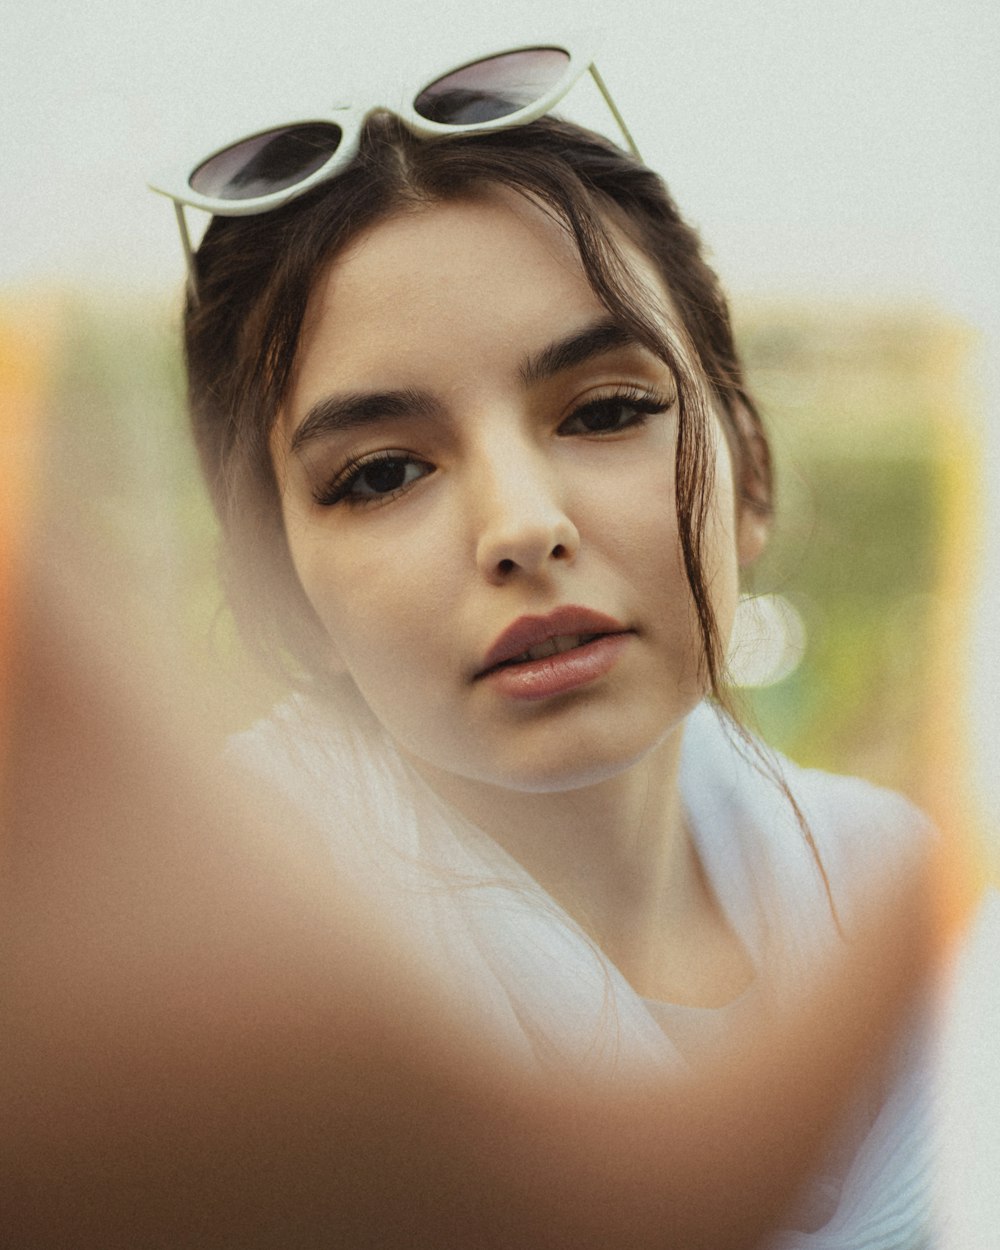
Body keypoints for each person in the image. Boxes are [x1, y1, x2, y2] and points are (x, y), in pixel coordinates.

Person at [143, 44, 936, 1246]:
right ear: (283, 595)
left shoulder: (899, 889)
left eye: (607, 409)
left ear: (750, 472)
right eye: (381, 473)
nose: (521, 525)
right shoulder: (217, 1013)